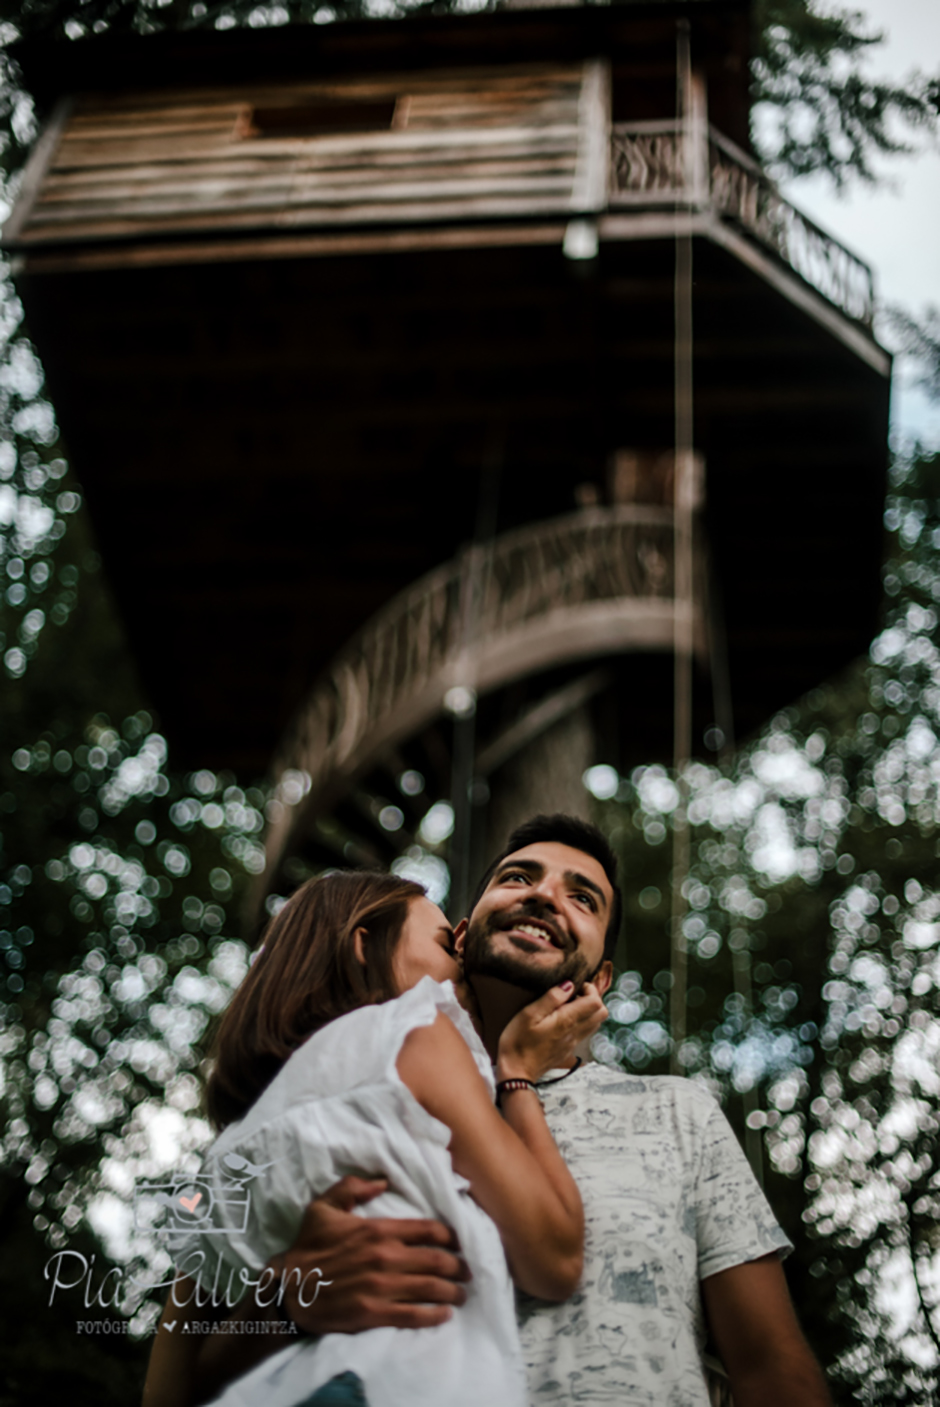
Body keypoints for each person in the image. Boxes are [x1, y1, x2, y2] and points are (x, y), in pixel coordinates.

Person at [190, 814, 833, 1407]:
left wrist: (513, 1078)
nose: (547, 895)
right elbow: (182, 1377)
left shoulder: (676, 1112)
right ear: (462, 936)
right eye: (518, 877)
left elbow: (770, 1364)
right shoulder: (344, 1106)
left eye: (583, 898)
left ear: (600, 980)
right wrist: (282, 1298)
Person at [142, 867, 607, 1407]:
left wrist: (277, 1305)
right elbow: (553, 1258)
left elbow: (165, 1390)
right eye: (444, 945)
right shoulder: (417, 1031)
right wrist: (518, 1071)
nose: (463, 962)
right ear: (364, 945)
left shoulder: (231, 1151)